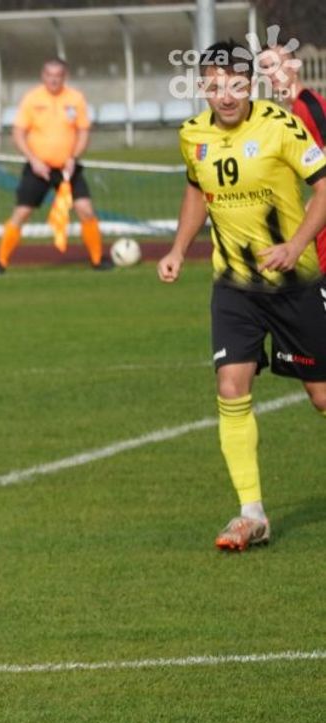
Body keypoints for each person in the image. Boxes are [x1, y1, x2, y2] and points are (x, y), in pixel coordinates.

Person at [157, 42, 326, 550]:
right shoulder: (193, 134)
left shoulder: (281, 126)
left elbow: (324, 188)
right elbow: (196, 190)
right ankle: (251, 514)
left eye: (235, 85)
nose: (225, 96)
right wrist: (178, 248)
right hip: (233, 285)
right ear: (202, 88)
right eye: (214, 86)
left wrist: (295, 245)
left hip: (295, 284)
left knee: (321, 396)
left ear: (249, 85)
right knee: (231, 387)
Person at [0, 58, 110, 275]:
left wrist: (73, 157)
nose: (54, 80)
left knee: (85, 209)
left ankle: (97, 259)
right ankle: (0, 262)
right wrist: (33, 160)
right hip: (39, 169)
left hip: (68, 168)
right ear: (43, 76)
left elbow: (83, 131)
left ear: (65, 77)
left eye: (58, 76)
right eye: (49, 75)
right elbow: (18, 133)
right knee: (21, 212)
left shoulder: (75, 98)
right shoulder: (32, 98)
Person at [263, 42, 326, 268]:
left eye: (278, 64)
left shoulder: (308, 107)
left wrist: (311, 211)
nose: (272, 72)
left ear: (294, 66)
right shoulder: (293, 111)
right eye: (266, 67)